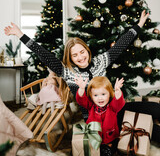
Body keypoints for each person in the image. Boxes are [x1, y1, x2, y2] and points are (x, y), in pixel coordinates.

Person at [4, 10, 160, 143]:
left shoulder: (101, 61)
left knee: (154, 108)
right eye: (75, 55)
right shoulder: (67, 71)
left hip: (113, 107)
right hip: (96, 118)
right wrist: (20, 34)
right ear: (70, 58)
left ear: (87, 51)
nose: (80, 57)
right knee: (144, 127)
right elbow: (43, 54)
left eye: (82, 52)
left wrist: (139, 24)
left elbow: (121, 44)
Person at [75, 75, 125, 156]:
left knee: (112, 149)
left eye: (103, 94)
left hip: (110, 138)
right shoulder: (91, 106)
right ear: (91, 96)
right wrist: (81, 89)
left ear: (109, 94)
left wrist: (117, 90)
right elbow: (81, 100)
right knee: (91, 150)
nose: (100, 98)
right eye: (96, 95)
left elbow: (119, 102)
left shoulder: (112, 107)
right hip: (94, 137)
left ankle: (108, 150)